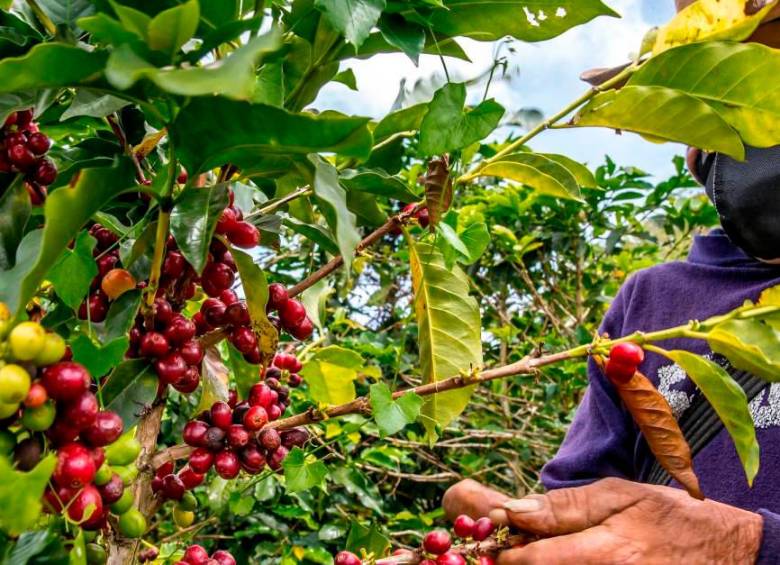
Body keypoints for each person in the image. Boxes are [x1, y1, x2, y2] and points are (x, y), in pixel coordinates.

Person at [442, 2, 780, 563]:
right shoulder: (650, 300)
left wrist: (745, 545)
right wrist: (531, 531)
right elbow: (588, 500)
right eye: (713, 102)